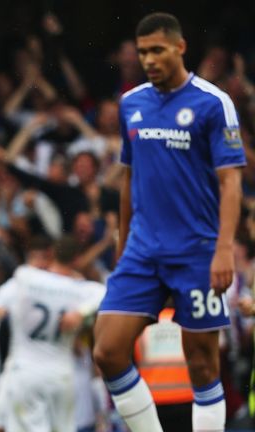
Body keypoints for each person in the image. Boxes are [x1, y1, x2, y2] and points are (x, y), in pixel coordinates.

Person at [92, 12, 246, 431]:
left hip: (197, 250)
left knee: (202, 365)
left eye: (157, 50)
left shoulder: (213, 103)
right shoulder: (132, 103)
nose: (149, 59)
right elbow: (129, 178)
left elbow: (231, 183)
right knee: (107, 351)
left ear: (180, 48)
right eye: (143, 52)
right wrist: (123, 246)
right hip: (142, 251)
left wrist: (222, 250)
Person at [0, 236, 106, 431]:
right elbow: (105, 293)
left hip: (25, 371)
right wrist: (81, 313)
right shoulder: (81, 290)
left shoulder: (25, 277)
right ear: (77, 259)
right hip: (62, 376)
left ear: (51, 255)